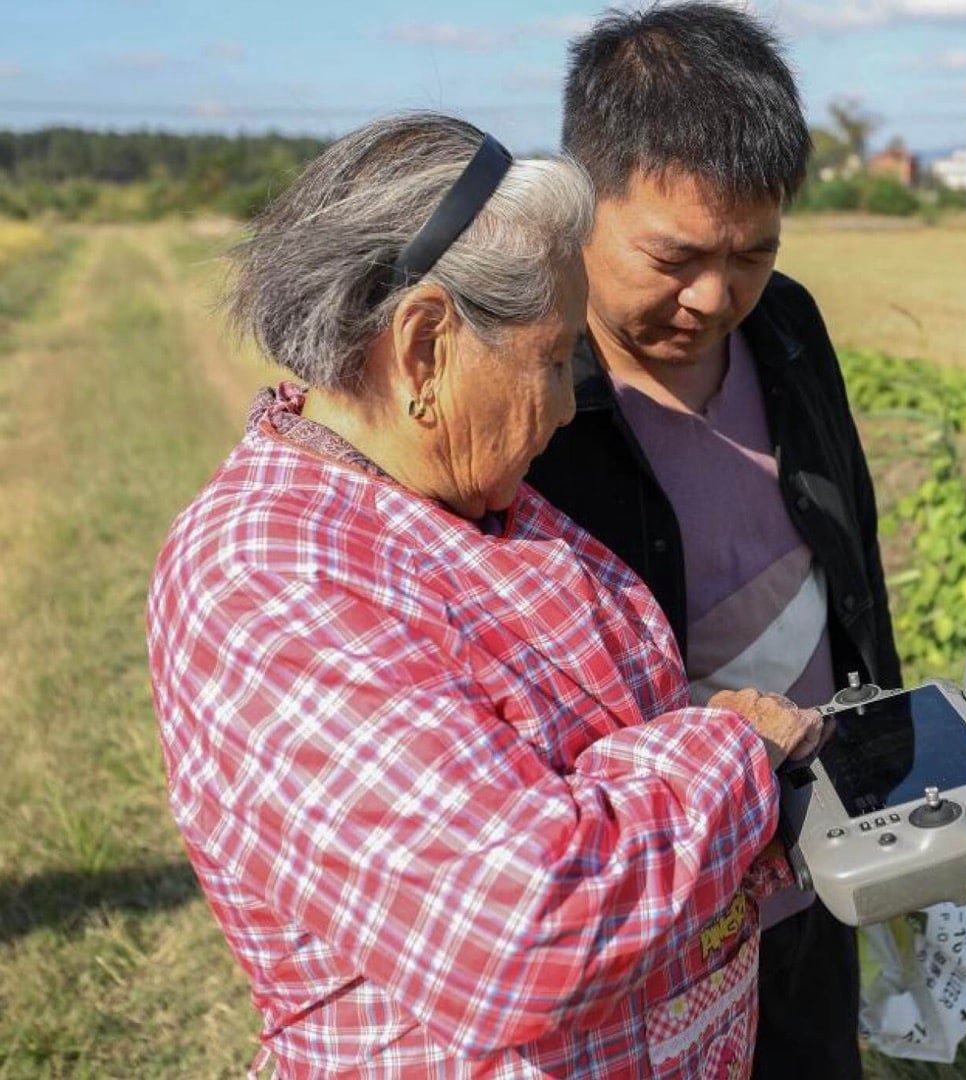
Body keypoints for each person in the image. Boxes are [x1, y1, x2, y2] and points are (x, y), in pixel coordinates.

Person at [145, 112, 825, 1079]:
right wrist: (739, 755)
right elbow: (521, 929)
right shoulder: (265, 581)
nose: (561, 406)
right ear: (423, 348)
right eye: (552, 361)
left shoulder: (460, 494)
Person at [525, 7, 902, 1077]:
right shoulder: (528, 396)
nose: (713, 298)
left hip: (815, 844)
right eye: (674, 257)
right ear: (581, 198)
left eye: (752, 253)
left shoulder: (786, 325)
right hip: (658, 894)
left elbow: (850, 550)